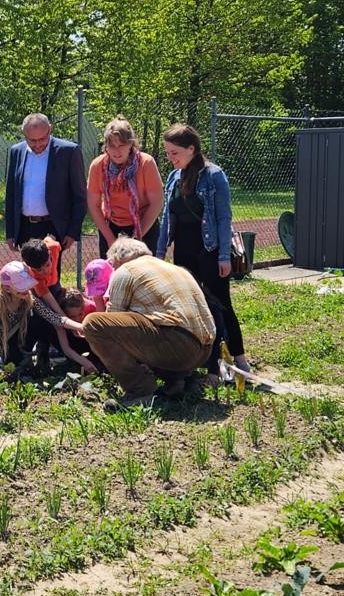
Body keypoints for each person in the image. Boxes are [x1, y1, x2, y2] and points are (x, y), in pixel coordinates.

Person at [156, 123, 250, 375]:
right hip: (183, 252)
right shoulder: (174, 177)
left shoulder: (213, 175)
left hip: (209, 250)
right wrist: (159, 253)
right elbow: (167, 217)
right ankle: (206, 361)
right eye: (167, 153)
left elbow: (224, 218)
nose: (170, 158)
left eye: (174, 153)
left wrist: (223, 256)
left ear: (192, 149)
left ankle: (240, 359)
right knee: (191, 305)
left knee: (220, 305)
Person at [82, 238, 216, 410]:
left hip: (178, 346)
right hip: (205, 350)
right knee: (152, 320)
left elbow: (113, 322)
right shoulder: (174, 268)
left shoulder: (126, 271)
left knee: (94, 325)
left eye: (114, 266)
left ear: (118, 260)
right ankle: (175, 379)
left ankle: (139, 389)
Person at [5, 113, 88, 261]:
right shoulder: (16, 151)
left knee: (50, 278)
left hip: (53, 227)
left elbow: (80, 196)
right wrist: (11, 232)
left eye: (42, 139)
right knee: (26, 278)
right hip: (25, 227)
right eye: (32, 140)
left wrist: (72, 231)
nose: (37, 144)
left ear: (50, 130)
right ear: (23, 134)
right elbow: (11, 194)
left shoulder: (68, 152)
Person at [87, 118, 164, 259]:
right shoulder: (98, 166)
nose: (117, 151)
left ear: (131, 144)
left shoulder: (146, 163)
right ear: (105, 146)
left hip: (143, 226)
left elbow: (157, 202)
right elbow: (93, 205)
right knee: (111, 276)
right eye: (112, 146)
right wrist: (110, 239)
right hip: (111, 227)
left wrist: (137, 236)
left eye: (121, 145)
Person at [0, 261, 84, 371]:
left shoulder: (30, 299)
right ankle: (21, 360)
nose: (26, 289)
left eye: (27, 285)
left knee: (42, 321)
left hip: (23, 339)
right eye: (21, 287)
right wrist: (0, 359)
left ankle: (42, 357)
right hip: (7, 343)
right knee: (11, 363)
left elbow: (54, 318)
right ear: (7, 288)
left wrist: (80, 326)